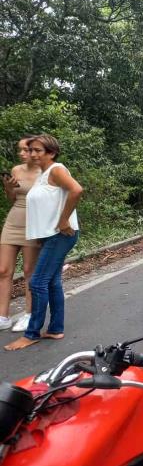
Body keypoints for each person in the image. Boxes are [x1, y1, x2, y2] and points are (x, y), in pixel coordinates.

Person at [4, 134, 83, 351]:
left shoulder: (56, 169)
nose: (32, 154)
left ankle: (31, 333)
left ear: (52, 152)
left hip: (61, 234)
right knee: (52, 282)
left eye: (38, 150)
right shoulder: (43, 174)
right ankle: (56, 328)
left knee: (37, 282)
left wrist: (64, 219)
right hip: (50, 235)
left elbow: (76, 190)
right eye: (30, 150)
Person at [0, 136, 41, 333]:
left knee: (28, 271)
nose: (22, 153)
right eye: (21, 150)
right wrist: (8, 186)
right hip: (13, 220)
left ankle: (29, 314)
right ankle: (3, 316)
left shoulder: (46, 172)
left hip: (33, 223)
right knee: (3, 270)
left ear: (35, 151)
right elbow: (11, 197)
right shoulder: (16, 170)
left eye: (26, 150)